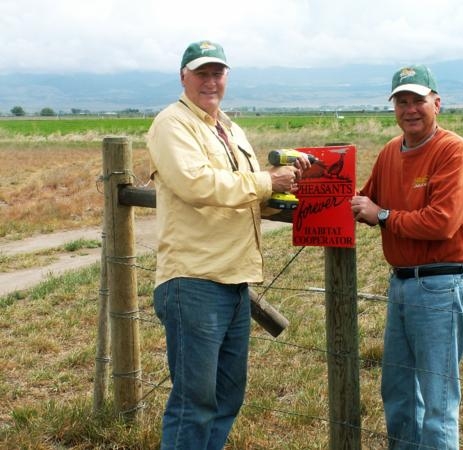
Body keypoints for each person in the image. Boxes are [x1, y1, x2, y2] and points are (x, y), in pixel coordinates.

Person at [147, 40, 310, 450]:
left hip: (235, 282)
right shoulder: (173, 124)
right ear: (182, 76)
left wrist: (288, 191)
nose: (210, 81)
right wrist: (267, 181)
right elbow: (197, 183)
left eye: (217, 73)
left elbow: (247, 195)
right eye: (201, 73)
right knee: (195, 402)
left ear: (227, 78)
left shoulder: (231, 129)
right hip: (194, 280)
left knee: (226, 397)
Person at [351, 65, 463, 449]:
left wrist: (384, 216)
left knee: (438, 404)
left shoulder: (454, 151)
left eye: (418, 101)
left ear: (437, 104)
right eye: (401, 101)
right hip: (402, 285)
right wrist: (314, 195)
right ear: (394, 107)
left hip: (441, 286)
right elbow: (364, 201)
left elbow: (443, 222)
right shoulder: (391, 152)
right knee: (400, 394)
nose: (410, 109)